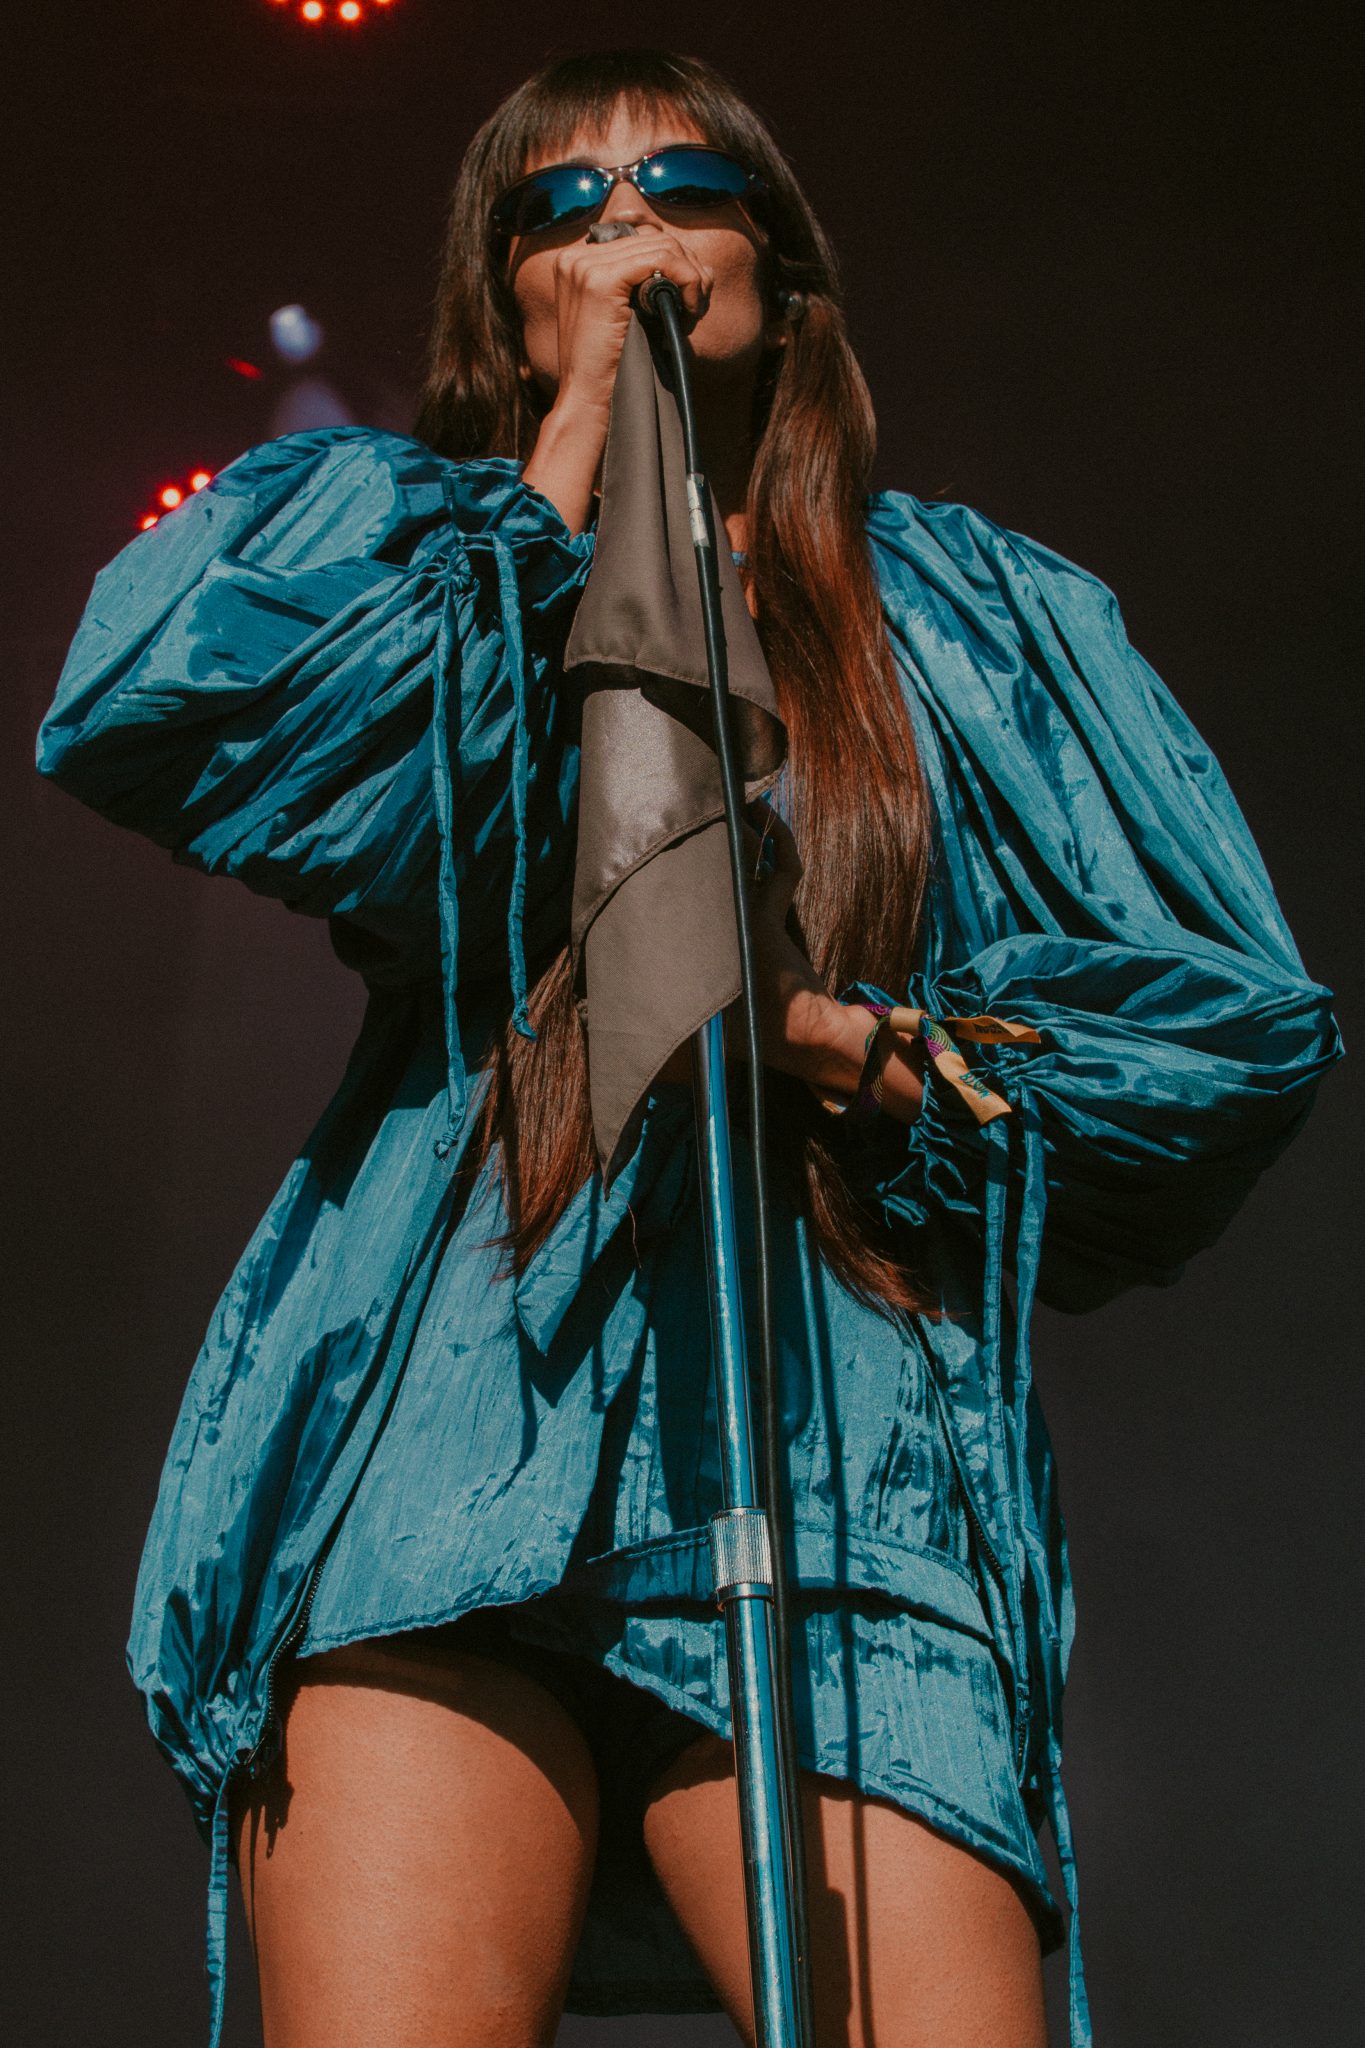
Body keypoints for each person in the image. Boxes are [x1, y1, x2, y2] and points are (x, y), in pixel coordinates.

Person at [34, 46, 1339, 2048]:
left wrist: (813, 1035)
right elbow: (178, 708)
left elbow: (1219, 1030)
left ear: (780, 267)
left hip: (835, 1452)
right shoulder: (411, 551)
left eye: (678, 182)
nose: (624, 221)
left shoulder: (968, 619)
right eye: (559, 205)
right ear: (505, 297)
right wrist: (566, 439)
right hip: (441, 1441)